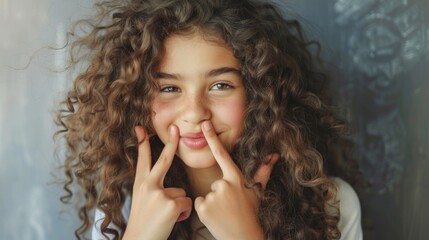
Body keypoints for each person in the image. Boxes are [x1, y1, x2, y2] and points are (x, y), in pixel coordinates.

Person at [55, 0, 364, 239]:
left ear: (259, 93)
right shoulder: (120, 214)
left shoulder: (330, 205)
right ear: (138, 99)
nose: (194, 112)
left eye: (220, 86)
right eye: (169, 88)